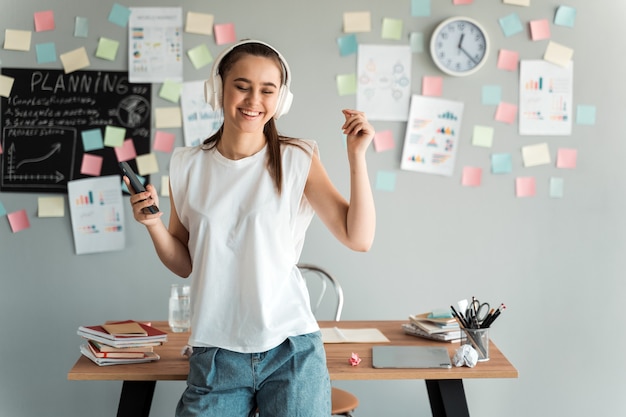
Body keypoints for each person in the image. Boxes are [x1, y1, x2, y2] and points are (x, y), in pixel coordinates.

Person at [124, 39, 376, 417]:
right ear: (218, 89)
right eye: (242, 86)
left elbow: (359, 238)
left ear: (281, 100)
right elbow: (184, 262)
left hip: (290, 349)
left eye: (267, 90)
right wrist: (153, 224)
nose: (253, 99)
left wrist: (357, 158)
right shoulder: (186, 165)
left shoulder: (298, 159)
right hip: (216, 354)